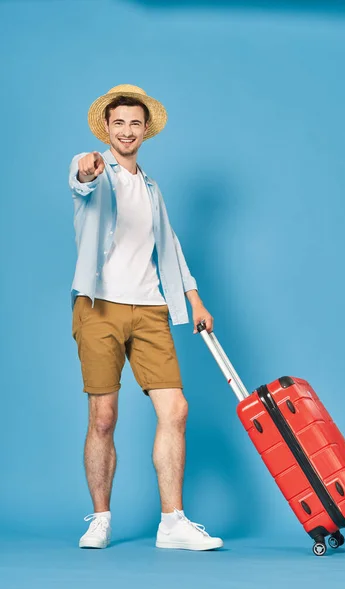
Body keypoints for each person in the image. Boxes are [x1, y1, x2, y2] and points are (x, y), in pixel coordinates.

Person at [69, 84, 223, 551]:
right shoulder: (96, 169)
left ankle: (172, 522)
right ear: (107, 129)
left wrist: (194, 300)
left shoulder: (152, 189)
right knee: (103, 418)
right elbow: (81, 175)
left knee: (176, 410)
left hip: (152, 309)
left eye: (135, 123)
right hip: (99, 306)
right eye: (119, 123)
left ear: (145, 130)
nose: (127, 130)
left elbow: (170, 249)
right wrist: (88, 167)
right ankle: (99, 518)